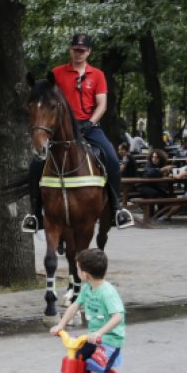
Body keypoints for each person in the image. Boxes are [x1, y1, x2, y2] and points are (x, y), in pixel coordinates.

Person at [22, 33, 132, 232]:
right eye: (75, 49)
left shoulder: (97, 75)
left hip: (90, 126)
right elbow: (47, 100)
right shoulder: (56, 73)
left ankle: (117, 209)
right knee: (36, 165)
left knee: (113, 159)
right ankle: (34, 214)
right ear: (70, 50)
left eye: (82, 50)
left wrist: (90, 123)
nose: (78, 53)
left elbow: (102, 104)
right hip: (61, 129)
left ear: (88, 52)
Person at [49, 249, 125, 373]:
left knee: (96, 365)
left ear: (85, 273)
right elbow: (74, 307)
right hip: (95, 338)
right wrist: (60, 326)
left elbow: (118, 316)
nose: (76, 272)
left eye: (77, 269)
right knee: (77, 353)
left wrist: (99, 332)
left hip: (110, 341)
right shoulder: (87, 289)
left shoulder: (107, 292)